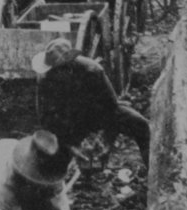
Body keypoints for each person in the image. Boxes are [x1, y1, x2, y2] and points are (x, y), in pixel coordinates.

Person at [32, 37, 150, 167]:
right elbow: (46, 119)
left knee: (141, 125)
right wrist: (70, 145)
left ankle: (152, 170)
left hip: (96, 115)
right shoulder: (45, 80)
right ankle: (55, 180)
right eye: (53, 70)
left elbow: (111, 107)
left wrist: (107, 141)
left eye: (60, 69)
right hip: (68, 121)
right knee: (47, 148)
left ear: (69, 64)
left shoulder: (92, 70)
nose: (56, 73)